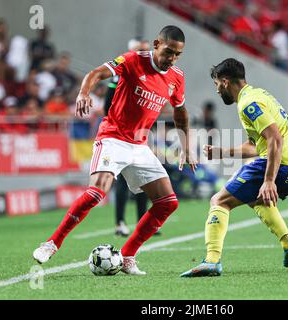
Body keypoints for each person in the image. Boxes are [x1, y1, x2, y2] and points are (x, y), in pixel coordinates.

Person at [33, 25, 197, 275]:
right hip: (113, 138)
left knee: (168, 203)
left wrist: (186, 146)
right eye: (168, 52)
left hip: (139, 145)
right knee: (96, 193)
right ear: (156, 44)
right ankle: (52, 243)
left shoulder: (176, 76)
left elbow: (181, 113)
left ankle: (128, 255)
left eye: (177, 54)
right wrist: (83, 93)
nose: (172, 58)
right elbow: (97, 72)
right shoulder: (133, 60)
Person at [181, 58, 288, 277]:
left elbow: (274, 140)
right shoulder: (261, 95)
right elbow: (257, 147)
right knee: (253, 197)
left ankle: (212, 261)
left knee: (219, 201)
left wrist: (269, 180)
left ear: (224, 82)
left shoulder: (248, 104)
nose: (217, 91)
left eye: (216, 85)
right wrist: (222, 152)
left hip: (283, 164)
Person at [101, 38, 151, 237]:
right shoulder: (120, 75)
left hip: (139, 137)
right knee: (121, 180)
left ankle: (142, 222)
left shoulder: (149, 76)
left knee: (143, 179)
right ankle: (120, 222)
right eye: (141, 50)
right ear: (131, 52)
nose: (145, 54)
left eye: (147, 51)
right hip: (119, 136)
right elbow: (107, 107)